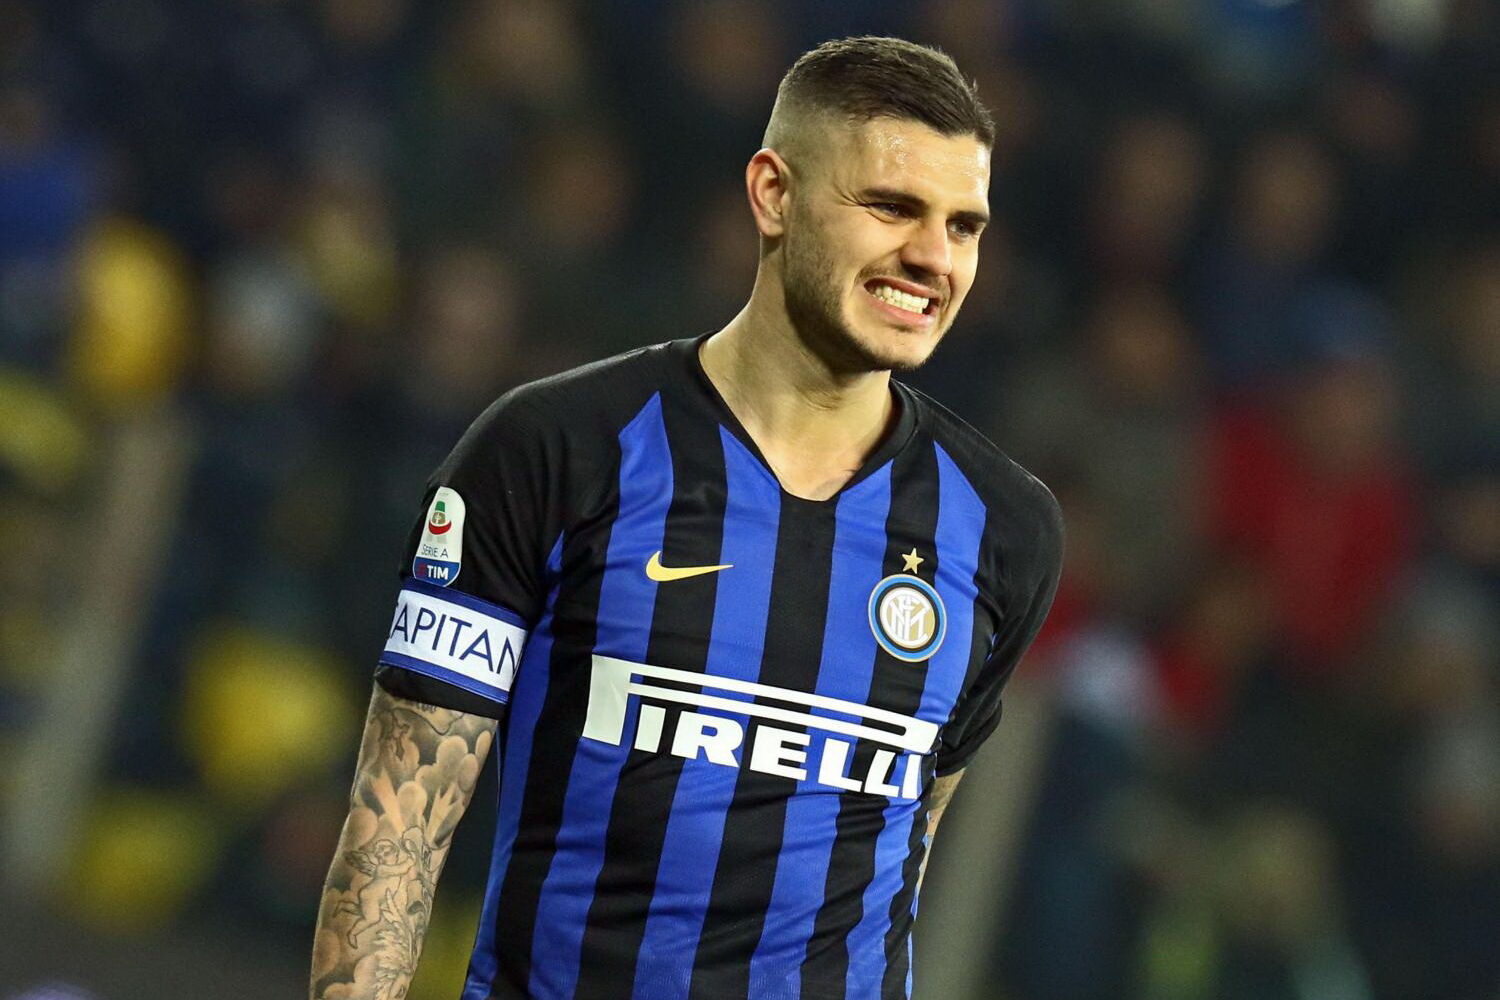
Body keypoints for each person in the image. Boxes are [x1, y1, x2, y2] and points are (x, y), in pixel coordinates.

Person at [310, 35, 1064, 1000]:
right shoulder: (556, 451)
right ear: (773, 194)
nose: (932, 257)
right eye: (891, 207)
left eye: (963, 226)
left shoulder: (1005, 529)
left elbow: (902, 855)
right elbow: (396, 832)